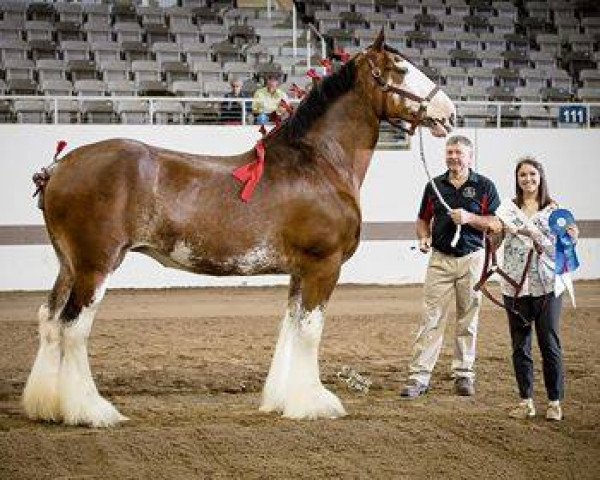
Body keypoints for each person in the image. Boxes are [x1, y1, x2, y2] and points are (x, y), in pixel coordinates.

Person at [400, 135, 502, 399]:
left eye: (458, 153)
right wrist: (422, 237)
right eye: (450, 152)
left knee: (468, 319)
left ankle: (464, 374)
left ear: (469, 157)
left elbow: (496, 223)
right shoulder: (434, 186)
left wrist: (470, 218)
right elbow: (422, 219)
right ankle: (419, 377)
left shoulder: (485, 186)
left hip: (472, 258)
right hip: (440, 260)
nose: (453, 157)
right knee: (430, 318)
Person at [499, 157, 578, 421]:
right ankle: (526, 401)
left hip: (547, 285)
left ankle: (554, 401)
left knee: (549, 343)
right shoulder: (507, 209)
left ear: (540, 177)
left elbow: (562, 247)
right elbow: (499, 237)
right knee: (520, 345)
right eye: (523, 175)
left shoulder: (555, 211)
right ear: (517, 179)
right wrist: (493, 234)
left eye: (532, 174)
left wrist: (570, 236)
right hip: (514, 285)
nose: (528, 179)